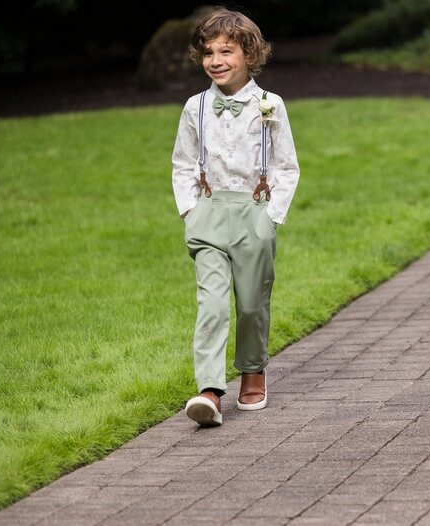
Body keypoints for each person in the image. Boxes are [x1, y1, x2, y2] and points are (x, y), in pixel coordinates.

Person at [171, 9, 301, 427]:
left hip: (253, 214)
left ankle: (252, 369)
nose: (216, 60)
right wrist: (191, 210)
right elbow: (183, 162)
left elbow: (286, 167)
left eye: (226, 51)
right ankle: (209, 389)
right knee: (211, 305)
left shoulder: (270, 105)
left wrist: (270, 217)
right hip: (208, 215)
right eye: (208, 52)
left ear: (249, 54)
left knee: (250, 304)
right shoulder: (196, 107)